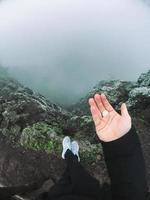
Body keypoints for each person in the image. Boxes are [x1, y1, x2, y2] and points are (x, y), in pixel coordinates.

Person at [36, 93, 150, 200]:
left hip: (55, 196)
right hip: (92, 193)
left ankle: (69, 155)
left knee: (68, 177)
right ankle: (72, 157)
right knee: (78, 175)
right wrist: (120, 144)